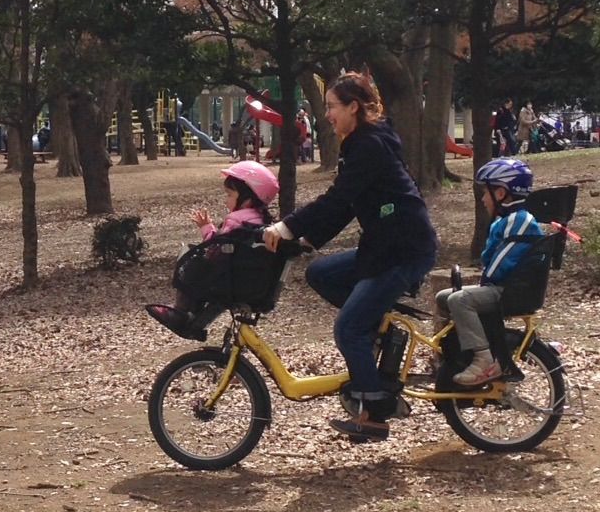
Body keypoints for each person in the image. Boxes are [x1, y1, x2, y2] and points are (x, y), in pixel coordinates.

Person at [262, 72, 438, 443]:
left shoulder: (368, 144)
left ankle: (375, 412)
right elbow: (346, 204)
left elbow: (339, 199)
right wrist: (306, 239)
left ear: (353, 107)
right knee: (322, 274)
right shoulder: (362, 141)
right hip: (384, 245)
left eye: (331, 107)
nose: (326, 115)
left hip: (402, 250)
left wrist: (287, 227)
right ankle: (377, 333)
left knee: (347, 328)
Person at [436, 159, 546, 387]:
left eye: (486, 192)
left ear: (501, 192)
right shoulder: (508, 220)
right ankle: (458, 352)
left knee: (460, 299)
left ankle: (483, 357)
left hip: (508, 291)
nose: (483, 198)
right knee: (443, 297)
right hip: (501, 287)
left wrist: (484, 281)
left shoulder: (519, 220)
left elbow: (499, 265)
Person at [145, 160, 279, 340]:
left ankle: (181, 312)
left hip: (226, 274)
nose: (226, 200)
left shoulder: (237, 220)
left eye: (230, 195)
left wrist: (206, 228)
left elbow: (216, 245)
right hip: (245, 276)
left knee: (191, 260)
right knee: (216, 296)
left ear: (247, 200)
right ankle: (196, 323)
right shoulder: (260, 221)